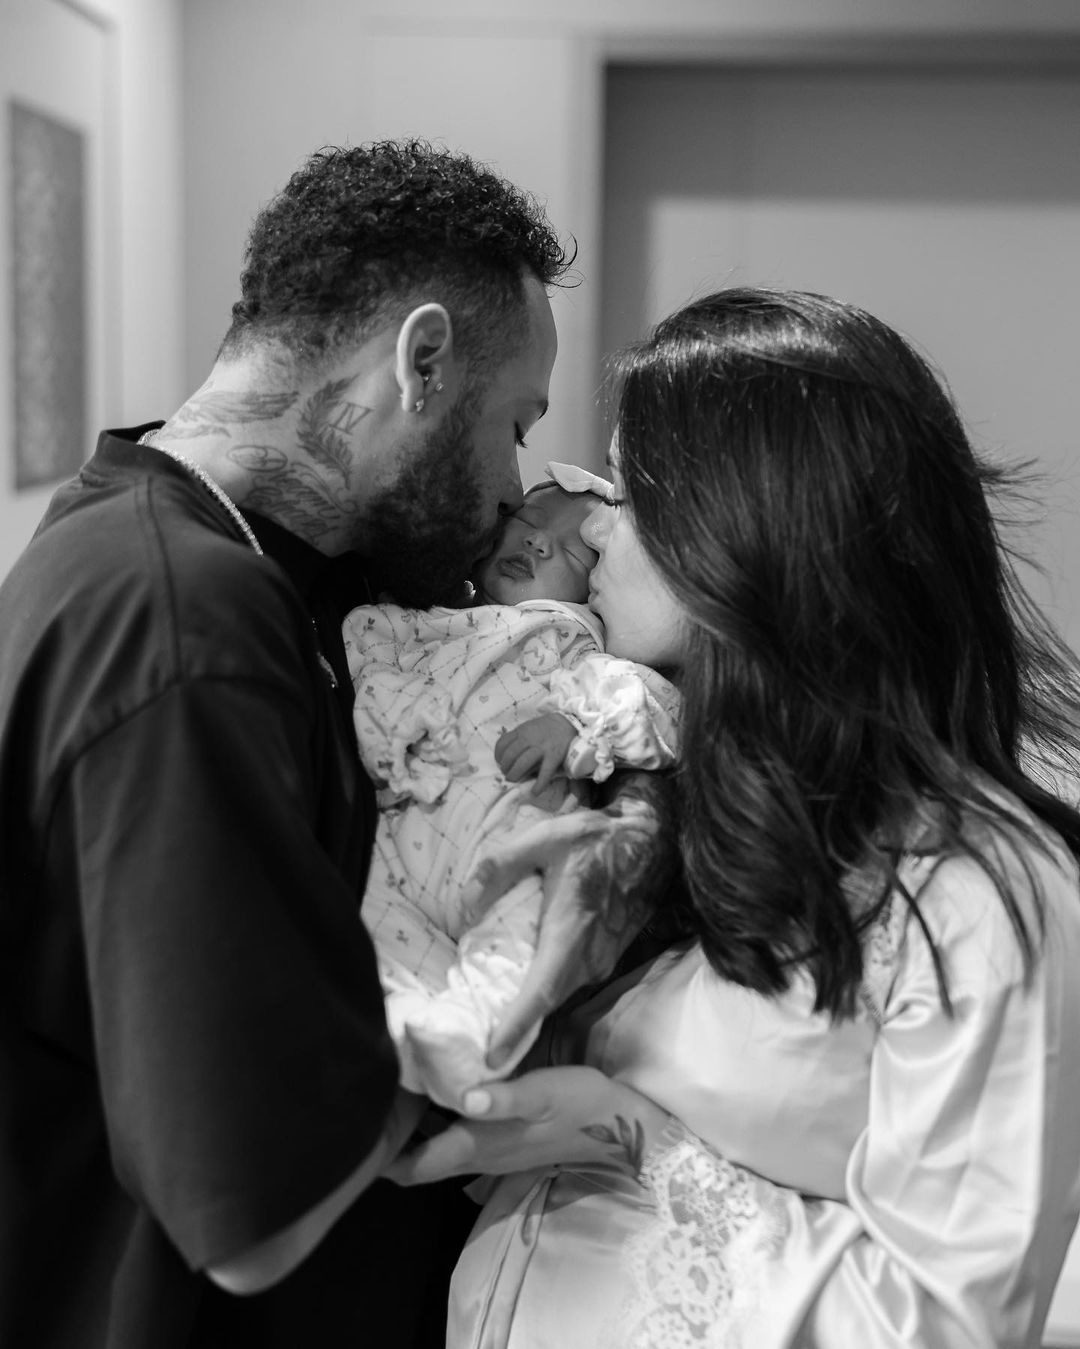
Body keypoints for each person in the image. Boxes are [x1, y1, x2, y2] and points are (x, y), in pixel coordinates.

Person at [387, 287, 1080, 1349]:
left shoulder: (980, 894)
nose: (593, 525)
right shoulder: (676, 783)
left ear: (748, 532)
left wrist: (625, 1137)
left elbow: (944, 1324)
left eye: (627, 492)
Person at [0, 137, 584, 1349]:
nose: (511, 484)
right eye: (515, 424)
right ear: (423, 360)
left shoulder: (292, 568)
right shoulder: (179, 621)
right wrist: (531, 1049)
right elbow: (251, 1199)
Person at [343, 464, 679, 1110]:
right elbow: (365, 635)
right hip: (405, 822)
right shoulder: (433, 619)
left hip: (513, 835)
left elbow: (655, 705)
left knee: (513, 946)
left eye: (576, 551)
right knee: (374, 939)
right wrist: (393, 710)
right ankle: (388, 1054)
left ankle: (471, 1045)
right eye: (527, 520)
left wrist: (577, 727)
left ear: (596, 587)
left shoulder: (578, 642)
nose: (539, 542)